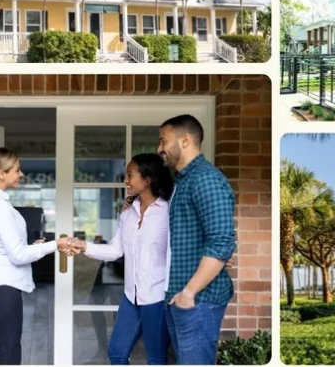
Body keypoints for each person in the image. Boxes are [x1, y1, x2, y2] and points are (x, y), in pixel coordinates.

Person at [68, 154, 174, 365]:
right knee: (116, 353)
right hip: (131, 297)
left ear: (148, 179)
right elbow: (116, 250)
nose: (125, 180)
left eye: (129, 175)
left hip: (158, 298)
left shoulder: (170, 212)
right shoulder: (128, 214)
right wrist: (84, 246)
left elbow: (178, 252)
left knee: (156, 358)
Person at [0, 148, 74, 365]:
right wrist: (55, 244)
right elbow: (18, 255)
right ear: (1, 173)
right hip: (3, 290)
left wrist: (31, 246)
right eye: (17, 170)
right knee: (10, 357)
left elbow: (11, 248)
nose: (21, 174)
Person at [158, 115, 236, 365]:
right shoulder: (183, 181)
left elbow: (222, 242)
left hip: (197, 301)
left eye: (163, 141)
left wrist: (189, 293)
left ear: (185, 140)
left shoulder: (205, 179)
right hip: (180, 296)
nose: (159, 148)